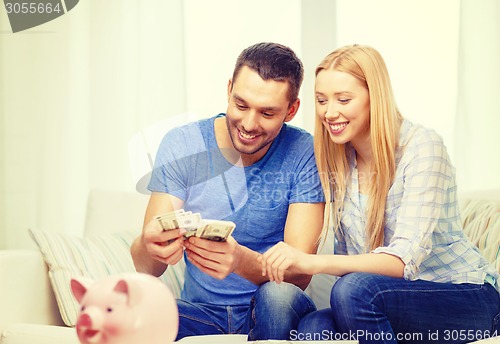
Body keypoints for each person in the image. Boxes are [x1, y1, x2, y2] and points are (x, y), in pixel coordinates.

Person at [259, 44, 500, 343]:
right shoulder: (339, 160)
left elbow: (402, 262)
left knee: (352, 291)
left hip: (466, 296)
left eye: (343, 99)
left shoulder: (423, 147)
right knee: (312, 328)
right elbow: (354, 266)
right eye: (321, 100)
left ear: (375, 97)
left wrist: (309, 261)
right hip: (388, 300)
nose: (329, 112)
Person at [130, 42, 325, 341]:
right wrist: (150, 244)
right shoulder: (184, 143)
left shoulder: (304, 152)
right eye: (241, 105)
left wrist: (239, 261)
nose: (248, 124)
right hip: (201, 313)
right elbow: (149, 267)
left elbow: (298, 275)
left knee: (277, 298)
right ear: (229, 89)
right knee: (140, 310)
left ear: (292, 110)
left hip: (269, 310)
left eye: (267, 113)